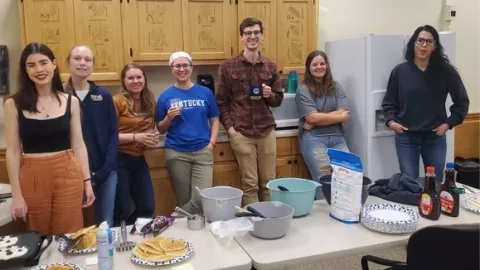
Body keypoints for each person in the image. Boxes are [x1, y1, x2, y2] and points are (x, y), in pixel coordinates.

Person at [4, 43, 95, 235]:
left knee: (70, 235)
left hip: (68, 174)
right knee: (38, 237)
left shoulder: (71, 102)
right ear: (25, 70)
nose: (39, 70)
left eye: (43, 63)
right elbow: (12, 152)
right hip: (32, 176)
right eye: (31, 65)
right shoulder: (13, 104)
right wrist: (17, 195)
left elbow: (79, 145)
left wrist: (87, 181)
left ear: (54, 64)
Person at [382, 25, 469, 182]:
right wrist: (391, 122)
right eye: (420, 40)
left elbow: (462, 102)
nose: (424, 45)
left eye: (429, 42)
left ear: (434, 46)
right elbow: (389, 103)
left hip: (435, 137)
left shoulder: (446, 72)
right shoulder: (399, 72)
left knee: (435, 184)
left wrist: (448, 124)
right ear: (413, 43)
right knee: (410, 183)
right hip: (406, 137)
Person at [216, 17, 284, 205]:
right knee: (250, 184)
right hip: (242, 132)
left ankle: (270, 221)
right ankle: (254, 225)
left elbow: (278, 100)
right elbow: (221, 101)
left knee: (269, 183)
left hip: (266, 131)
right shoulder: (228, 66)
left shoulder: (270, 66)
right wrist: (231, 129)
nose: (252, 37)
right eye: (248, 33)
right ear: (241, 37)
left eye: (256, 32)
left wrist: (270, 95)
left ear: (262, 36)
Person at [156, 52, 220, 214]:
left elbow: (214, 119)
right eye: (177, 66)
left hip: (202, 152)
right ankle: (190, 236)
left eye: (185, 65)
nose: (182, 69)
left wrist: (211, 143)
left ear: (191, 68)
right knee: (184, 199)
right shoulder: (165, 96)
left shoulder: (205, 93)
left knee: (201, 199)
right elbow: (161, 128)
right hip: (177, 153)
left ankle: (172, 219)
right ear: (172, 69)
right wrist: (169, 118)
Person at [64, 45, 118, 227]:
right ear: (68, 63)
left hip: (105, 172)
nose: (82, 63)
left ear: (93, 65)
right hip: (71, 174)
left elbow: (113, 133)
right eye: (77, 58)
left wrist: (105, 169)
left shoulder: (103, 96)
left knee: (105, 225)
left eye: (87, 59)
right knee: (70, 226)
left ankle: (104, 257)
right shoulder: (59, 96)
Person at [295, 50, 351, 199]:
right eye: (315, 64)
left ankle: (340, 212)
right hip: (314, 139)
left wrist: (318, 120)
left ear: (327, 66)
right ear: (308, 68)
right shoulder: (303, 89)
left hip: (337, 138)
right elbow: (312, 118)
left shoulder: (336, 86)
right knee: (324, 180)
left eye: (322, 63)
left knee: (347, 174)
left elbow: (344, 113)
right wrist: (320, 119)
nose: (319, 67)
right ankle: (322, 218)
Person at [113, 63, 158, 226]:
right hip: (119, 160)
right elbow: (108, 136)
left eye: (139, 77)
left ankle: (133, 236)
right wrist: (135, 137)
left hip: (139, 160)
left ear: (144, 79)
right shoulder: (117, 102)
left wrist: (152, 135)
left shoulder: (149, 100)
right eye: (130, 78)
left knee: (147, 207)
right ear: (123, 81)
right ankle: (119, 242)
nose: (135, 81)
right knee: (121, 210)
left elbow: (149, 126)